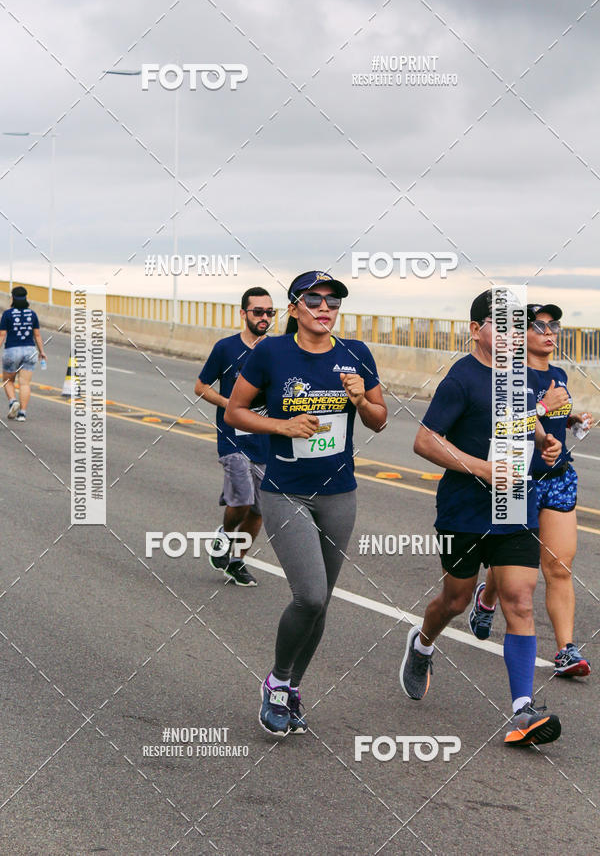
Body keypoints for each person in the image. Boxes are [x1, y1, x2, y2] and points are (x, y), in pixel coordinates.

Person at [225, 271, 387, 736]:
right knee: (309, 594)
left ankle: (293, 687)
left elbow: (379, 421)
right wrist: (282, 427)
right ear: (293, 307)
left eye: (332, 301)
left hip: (339, 495)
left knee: (322, 603)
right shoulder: (272, 352)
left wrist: (360, 400)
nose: (325, 307)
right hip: (284, 491)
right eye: (313, 299)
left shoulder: (356, 353)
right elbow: (236, 412)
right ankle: (276, 684)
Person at [400, 289, 564, 747]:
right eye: (501, 323)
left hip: (515, 505)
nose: (513, 334)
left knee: (519, 600)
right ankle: (423, 642)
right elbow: (425, 440)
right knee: (454, 602)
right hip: (465, 511)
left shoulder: (523, 378)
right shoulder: (462, 379)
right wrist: (482, 468)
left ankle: (522, 709)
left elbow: (528, 426)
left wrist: (545, 443)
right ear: (476, 330)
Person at [469, 304, 593, 677]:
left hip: (557, 477)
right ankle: (486, 598)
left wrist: (570, 419)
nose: (548, 331)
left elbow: (551, 416)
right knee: (514, 566)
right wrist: (542, 408)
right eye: (538, 326)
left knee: (558, 566)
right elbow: (500, 424)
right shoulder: (505, 375)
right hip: (516, 480)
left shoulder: (557, 373)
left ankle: (566, 650)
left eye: (553, 325)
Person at [195, 287, 273, 587]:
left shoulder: (278, 350)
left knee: (259, 510)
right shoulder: (226, 348)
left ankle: (237, 561)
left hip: (266, 440)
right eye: (258, 312)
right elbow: (201, 386)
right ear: (244, 314)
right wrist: (231, 405)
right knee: (241, 498)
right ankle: (225, 535)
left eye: (270, 312)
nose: (264, 317)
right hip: (233, 438)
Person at [0, 285, 46, 422]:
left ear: (12, 298)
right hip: (30, 350)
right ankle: (22, 414)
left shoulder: (7, 314)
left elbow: (2, 335)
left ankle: (13, 401)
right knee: (25, 383)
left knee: (8, 380)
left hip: (12, 350)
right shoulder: (32, 314)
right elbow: (37, 336)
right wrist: (42, 352)